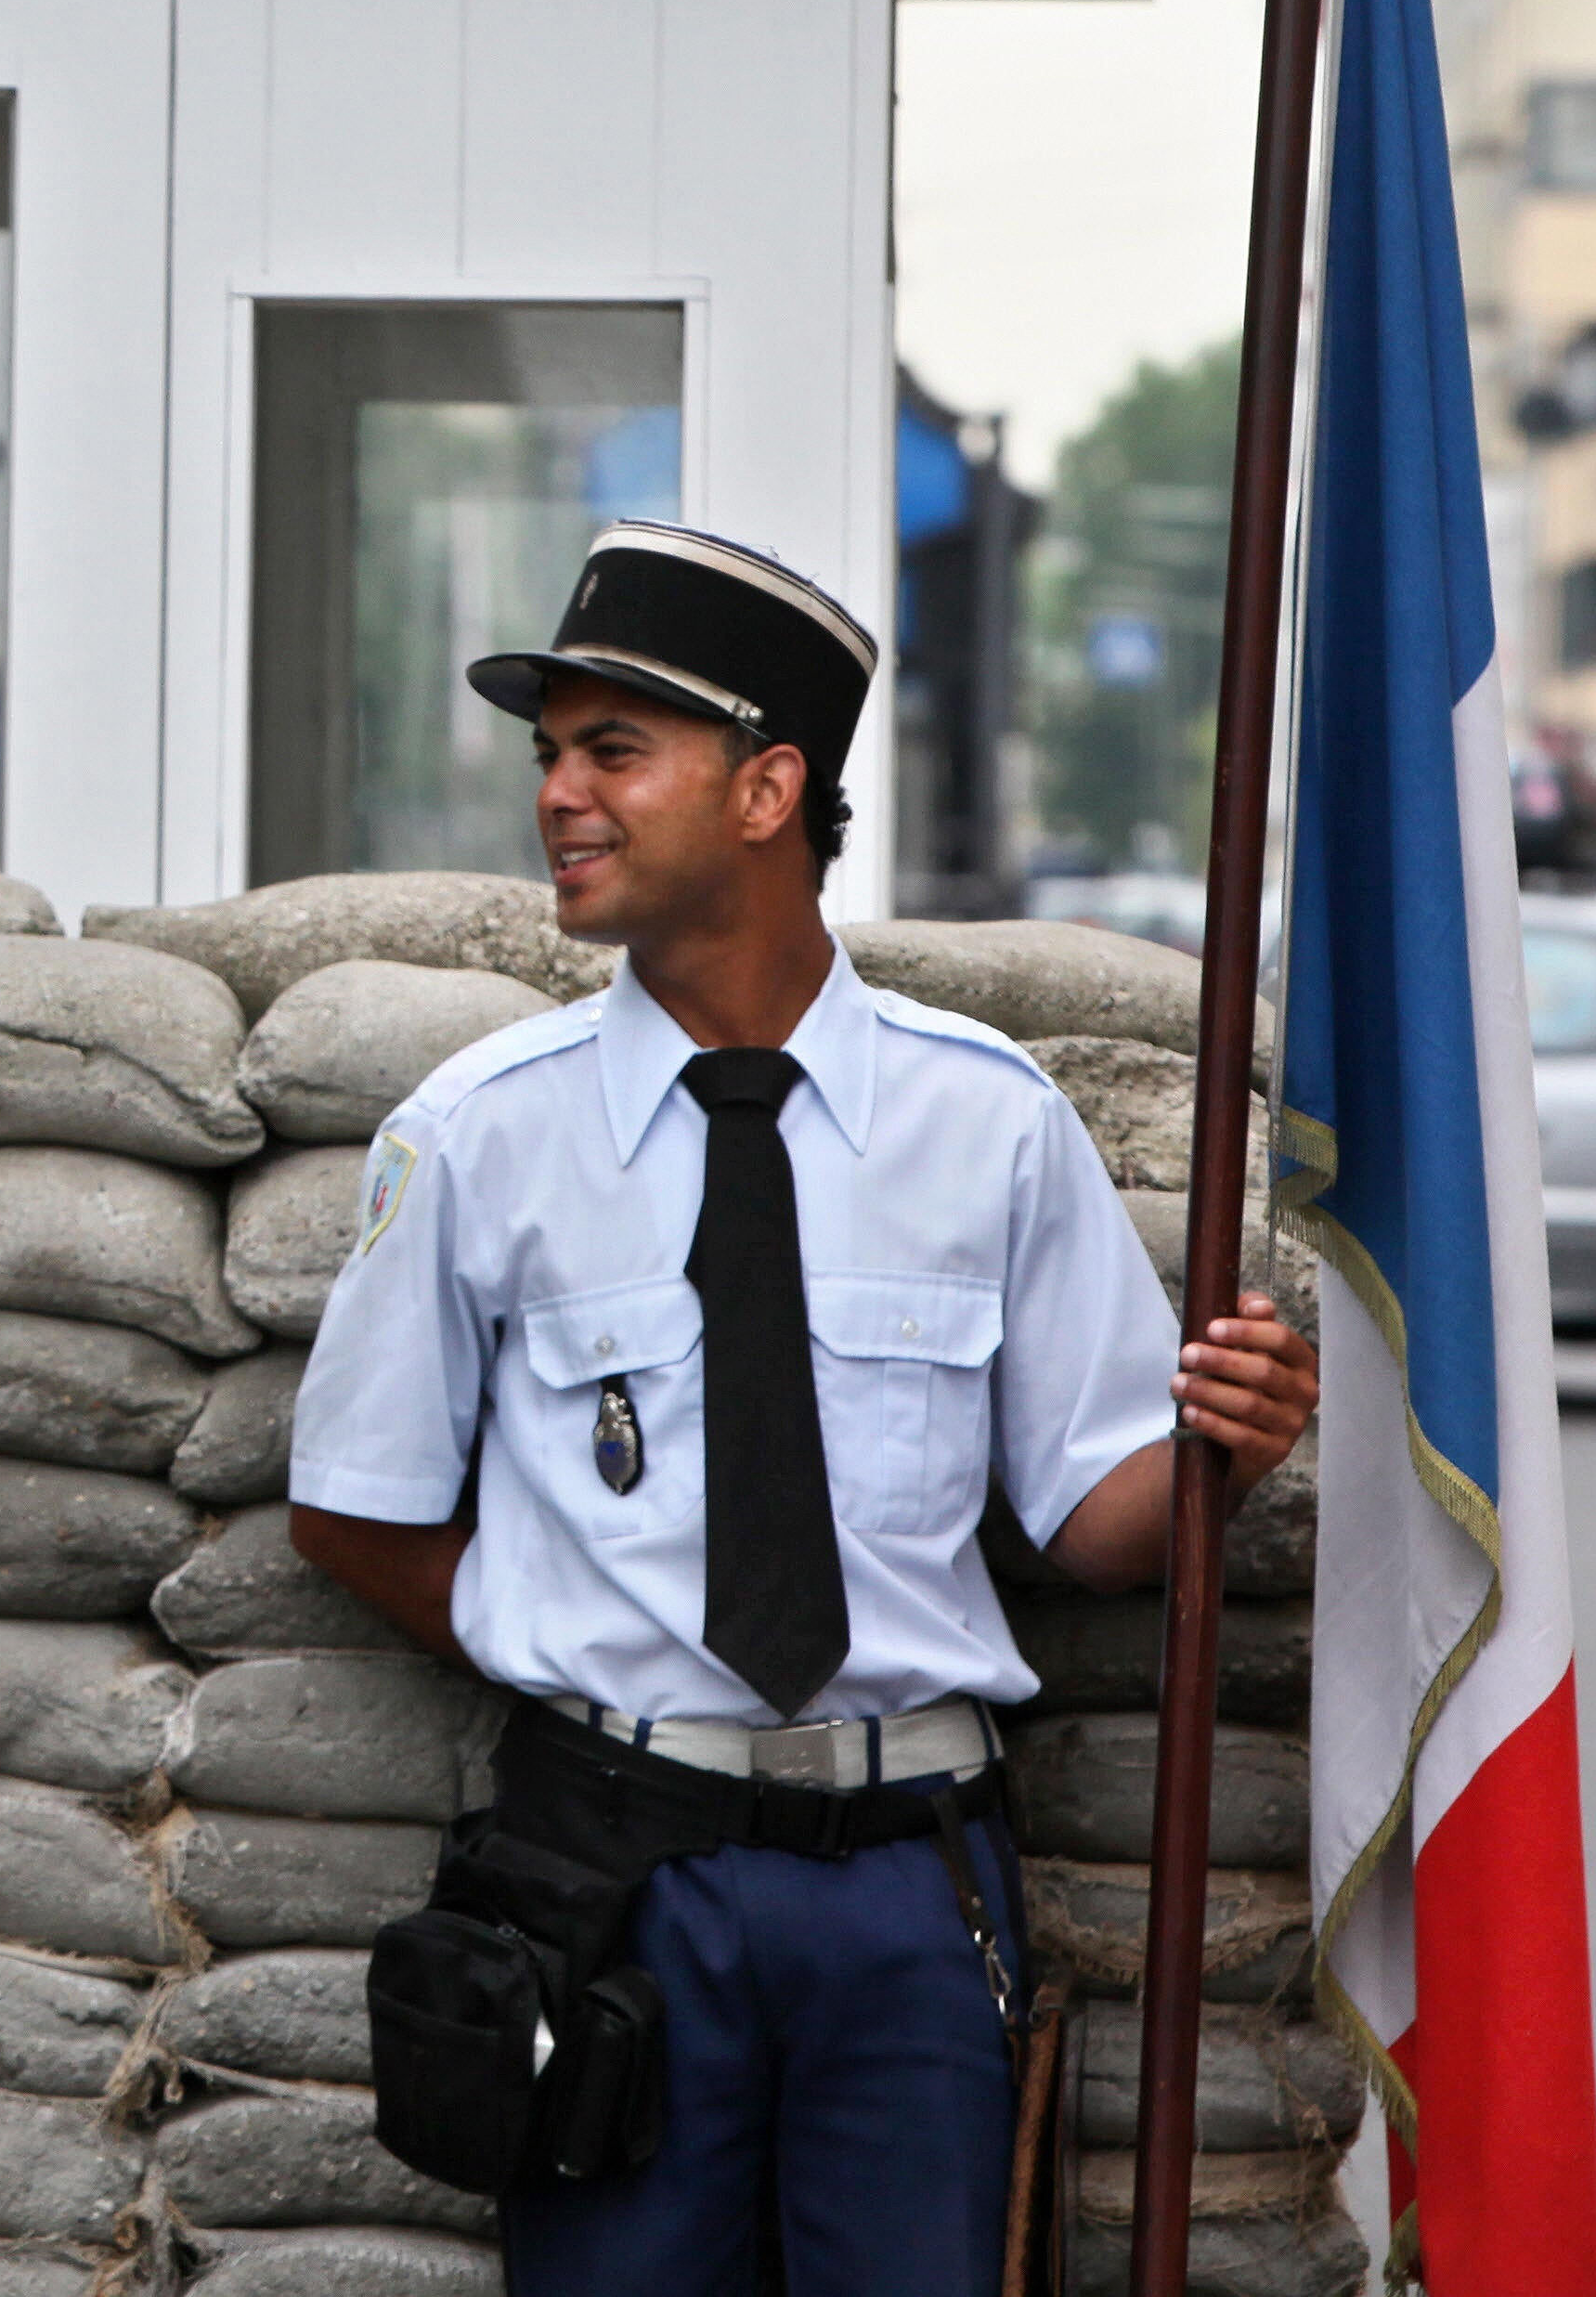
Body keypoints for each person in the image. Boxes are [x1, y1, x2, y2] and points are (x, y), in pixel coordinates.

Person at [287, 522, 1318, 2296]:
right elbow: (355, 1501)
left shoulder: (983, 1120)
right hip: (614, 1874)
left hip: (907, 1893)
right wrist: (565, 1647)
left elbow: (1093, 1513)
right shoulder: (480, 1132)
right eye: (550, 752)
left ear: (769, 787)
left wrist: (1224, 1439)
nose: (559, 795)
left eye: (614, 749)